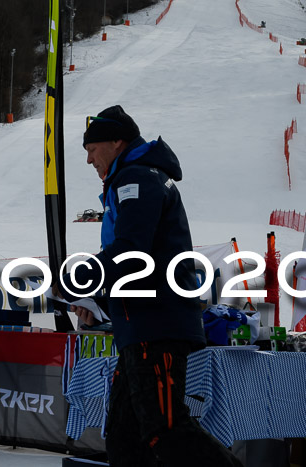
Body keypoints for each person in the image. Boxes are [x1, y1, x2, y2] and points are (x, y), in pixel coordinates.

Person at [56, 105, 242, 467]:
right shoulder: (134, 178)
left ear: (116, 141)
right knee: (125, 435)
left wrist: (83, 277)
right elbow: (134, 255)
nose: (90, 159)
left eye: (92, 149)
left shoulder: (137, 178)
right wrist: (95, 299)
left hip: (155, 325)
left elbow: (132, 251)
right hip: (140, 324)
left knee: (165, 429)